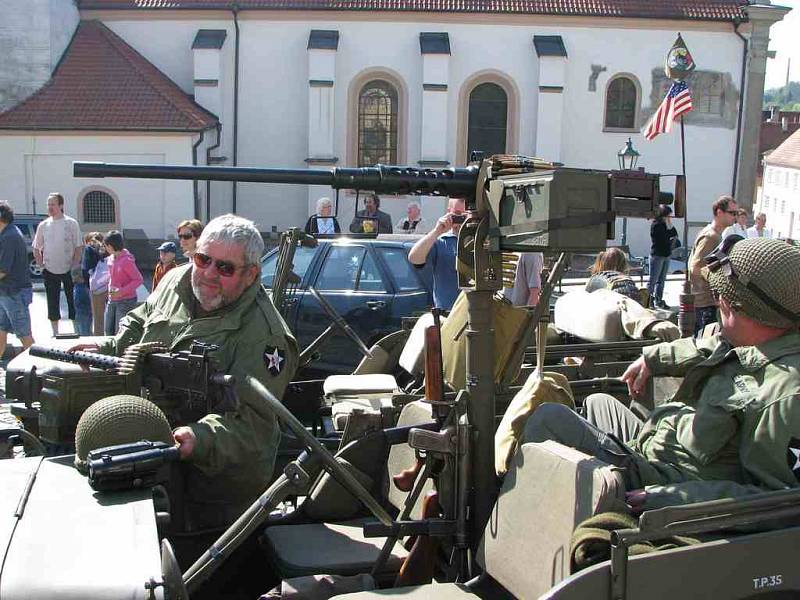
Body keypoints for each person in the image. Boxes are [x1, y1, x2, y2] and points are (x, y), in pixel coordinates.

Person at [523, 237, 800, 512]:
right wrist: (651, 359)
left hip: (666, 482)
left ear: (742, 308)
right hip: (652, 447)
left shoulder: (784, 394)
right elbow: (704, 345)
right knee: (599, 401)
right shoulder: (748, 340)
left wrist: (666, 498)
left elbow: (775, 503)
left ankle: (526, 518)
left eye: (722, 298)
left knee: (550, 418)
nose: (718, 304)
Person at [72, 214, 298, 529]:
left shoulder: (264, 336)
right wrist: (111, 348)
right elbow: (141, 317)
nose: (207, 274)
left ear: (251, 274)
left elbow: (254, 427)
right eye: (203, 259)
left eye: (225, 268)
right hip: (154, 456)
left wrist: (200, 437)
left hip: (216, 487)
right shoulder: (175, 281)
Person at [32, 192, 82, 336]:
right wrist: (42, 266)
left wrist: (75, 265)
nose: (50, 207)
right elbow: (36, 248)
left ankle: (75, 330)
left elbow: (79, 246)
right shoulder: (44, 225)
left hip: (68, 269)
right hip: (50, 269)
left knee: (72, 299)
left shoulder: (71, 223)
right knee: (52, 301)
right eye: (48, 205)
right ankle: (55, 332)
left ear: (61, 205)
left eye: (53, 204)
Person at [688, 195, 737, 334]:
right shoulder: (711, 237)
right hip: (703, 303)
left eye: (737, 213)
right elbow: (695, 268)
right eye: (732, 213)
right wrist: (719, 281)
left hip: (706, 302)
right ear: (719, 212)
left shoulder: (714, 234)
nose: (735, 216)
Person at [408, 198, 466, 311]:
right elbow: (414, 258)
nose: (462, 220)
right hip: (448, 315)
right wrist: (437, 231)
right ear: (449, 212)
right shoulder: (441, 242)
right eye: (457, 215)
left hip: (482, 314)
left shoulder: (484, 241)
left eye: (466, 215)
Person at [0, 202, 34, 357]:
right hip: (6, 292)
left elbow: (3, 270)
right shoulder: (8, 233)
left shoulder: (9, 237)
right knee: (1, 330)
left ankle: (38, 371)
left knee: (24, 335)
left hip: (14, 293)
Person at [103, 230, 143, 335]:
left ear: (111, 246)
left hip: (126, 301)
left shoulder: (127, 261)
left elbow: (138, 280)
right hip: (112, 299)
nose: (105, 248)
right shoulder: (110, 259)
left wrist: (122, 291)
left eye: (106, 245)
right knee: (108, 330)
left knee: (119, 332)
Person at [647, 205, 679, 309]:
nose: (670, 218)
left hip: (666, 255)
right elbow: (663, 239)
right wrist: (669, 231)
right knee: (653, 280)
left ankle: (659, 300)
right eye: (669, 215)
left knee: (662, 280)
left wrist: (670, 226)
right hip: (657, 255)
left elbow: (675, 234)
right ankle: (649, 300)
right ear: (664, 215)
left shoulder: (666, 225)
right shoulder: (657, 225)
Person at [74, 232, 103, 336]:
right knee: (99, 317)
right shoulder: (104, 251)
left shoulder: (84, 250)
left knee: (83, 314)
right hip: (99, 288)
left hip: (82, 286)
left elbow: (80, 270)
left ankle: (83, 337)